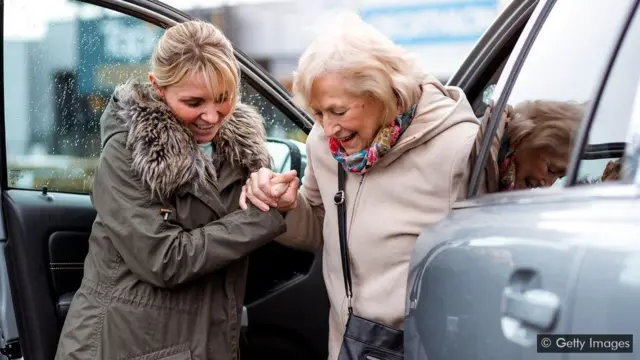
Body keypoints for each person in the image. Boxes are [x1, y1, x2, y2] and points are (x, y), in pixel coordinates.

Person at [239, 12, 480, 360]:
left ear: (384, 90)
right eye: (318, 113)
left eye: (338, 111)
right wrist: (286, 207)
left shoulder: (459, 148)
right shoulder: (323, 146)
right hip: (350, 346)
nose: (327, 127)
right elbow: (317, 228)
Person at [55, 20, 287, 360]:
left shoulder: (242, 151)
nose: (211, 116)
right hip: (122, 345)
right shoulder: (127, 151)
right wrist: (263, 216)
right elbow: (165, 260)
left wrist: (272, 189)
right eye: (194, 102)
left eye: (224, 98)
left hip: (203, 340)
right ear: (158, 88)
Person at [476, 99, 585, 192]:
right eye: (551, 170)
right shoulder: (470, 156)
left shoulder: (501, 182)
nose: (547, 185)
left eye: (560, 177)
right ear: (526, 137)